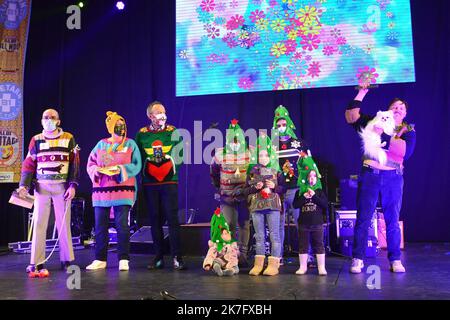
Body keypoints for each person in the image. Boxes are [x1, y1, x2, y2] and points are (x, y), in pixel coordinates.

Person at [345, 86, 416, 273]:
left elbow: (405, 153)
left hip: (393, 178)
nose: (398, 109)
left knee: (392, 220)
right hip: (370, 175)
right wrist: (362, 92)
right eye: (395, 106)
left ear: (405, 113)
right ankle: (358, 258)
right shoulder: (373, 121)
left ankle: (395, 260)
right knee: (363, 218)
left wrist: (384, 133)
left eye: (402, 107)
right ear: (388, 109)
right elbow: (351, 116)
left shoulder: (408, 130)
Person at [18, 108, 80, 277]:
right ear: (41, 120)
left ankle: (67, 259)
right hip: (41, 187)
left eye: (52, 117)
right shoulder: (36, 140)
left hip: (61, 187)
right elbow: (29, 164)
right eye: (46, 117)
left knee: (64, 223)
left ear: (58, 121)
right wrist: (23, 185)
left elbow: (75, 163)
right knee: (39, 223)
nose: (49, 120)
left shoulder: (68, 138)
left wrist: (72, 186)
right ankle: (37, 261)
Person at [86, 112, 142, 271]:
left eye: (123, 126)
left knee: (122, 225)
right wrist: (96, 170)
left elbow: (137, 165)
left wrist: (121, 169)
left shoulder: (131, 144)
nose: (121, 128)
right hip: (101, 192)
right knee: (100, 226)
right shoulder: (101, 145)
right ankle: (100, 259)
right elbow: (91, 163)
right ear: (110, 127)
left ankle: (124, 258)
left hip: (122, 191)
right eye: (117, 126)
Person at [135, 101, 186, 270]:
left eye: (164, 111)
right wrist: (146, 173)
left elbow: (180, 156)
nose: (162, 115)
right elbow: (138, 159)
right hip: (150, 184)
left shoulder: (173, 132)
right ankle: (158, 257)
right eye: (158, 112)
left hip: (169, 182)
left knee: (172, 219)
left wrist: (169, 169)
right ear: (150, 116)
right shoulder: (142, 135)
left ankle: (177, 256)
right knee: (155, 220)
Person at [210, 119, 252, 266]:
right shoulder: (220, 154)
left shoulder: (250, 151)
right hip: (226, 196)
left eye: (237, 140)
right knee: (228, 224)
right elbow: (214, 171)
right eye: (232, 140)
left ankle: (243, 254)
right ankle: (230, 254)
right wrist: (218, 187)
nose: (235, 143)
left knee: (244, 224)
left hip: (245, 196)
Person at [272, 105, 310, 264]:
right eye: (278, 125)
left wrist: (307, 184)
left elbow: (308, 164)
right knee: (278, 226)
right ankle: (277, 257)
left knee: (300, 224)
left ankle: (306, 256)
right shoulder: (271, 145)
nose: (281, 127)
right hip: (279, 191)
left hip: (296, 190)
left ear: (288, 123)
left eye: (283, 124)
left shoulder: (299, 143)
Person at [244, 135, 284, 276]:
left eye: (266, 155)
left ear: (270, 156)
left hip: (273, 207)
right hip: (257, 207)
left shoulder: (277, 172)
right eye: (260, 155)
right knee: (259, 236)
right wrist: (256, 187)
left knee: (274, 235)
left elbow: (283, 189)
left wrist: (274, 186)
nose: (263, 158)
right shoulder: (252, 173)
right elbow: (246, 190)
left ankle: (274, 265)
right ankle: (258, 264)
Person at [293, 158, 328, 276]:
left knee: (319, 244)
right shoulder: (300, 191)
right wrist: (304, 197)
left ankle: (321, 267)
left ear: (317, 179)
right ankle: (303, 267)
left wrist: (313, 197)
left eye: (314, 176)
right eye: (310, 176)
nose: (312, 178)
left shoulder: (319, 191)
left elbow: (324, 205)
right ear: (306, 178)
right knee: (303, 245)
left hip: (317, 224)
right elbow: (295, 205)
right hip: (303, 224)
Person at [203, 208, 239, 276]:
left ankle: (229, 271)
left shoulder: (232, 244)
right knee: (215, 261)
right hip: (220, 260)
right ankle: (217, 267)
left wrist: (236, 252)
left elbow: (236, 254)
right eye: (224, 234)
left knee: (236, 268)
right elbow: (210, 255)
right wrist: (207, 264)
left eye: (227, 233)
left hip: (230, 262)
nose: (228, 235)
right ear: (219, 236)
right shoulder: (216, 246)